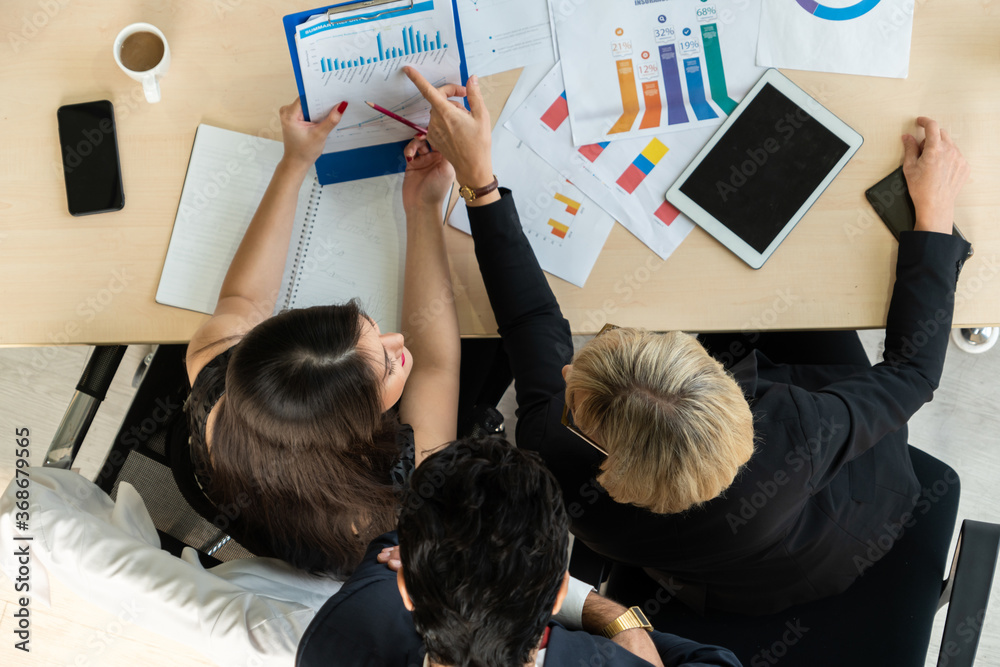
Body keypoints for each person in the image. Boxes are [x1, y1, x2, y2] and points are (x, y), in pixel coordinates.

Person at [400, 65, 973, 615]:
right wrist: (935, 212)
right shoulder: (800, 429)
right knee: (775, 287)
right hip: (830, 530)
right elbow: (913, 375)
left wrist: (480, 185)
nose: (566, 373)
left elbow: (532, 323)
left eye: (574, 388)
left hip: (739, 564)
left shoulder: (560, 468)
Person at [183, 96, 462, 576]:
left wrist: (295, 160)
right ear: (360, 426)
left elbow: (244, 303)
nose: (401, 340)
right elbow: (437, 364)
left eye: (375, 333)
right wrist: (424, 208)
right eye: (388, 364)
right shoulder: (402, 493)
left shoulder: (215, 371)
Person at [296, 435, 742, 667]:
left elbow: (391, 542)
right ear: (558, 594)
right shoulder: (613, 662)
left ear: (407, 590)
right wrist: (617, 621)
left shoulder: (343, 629)